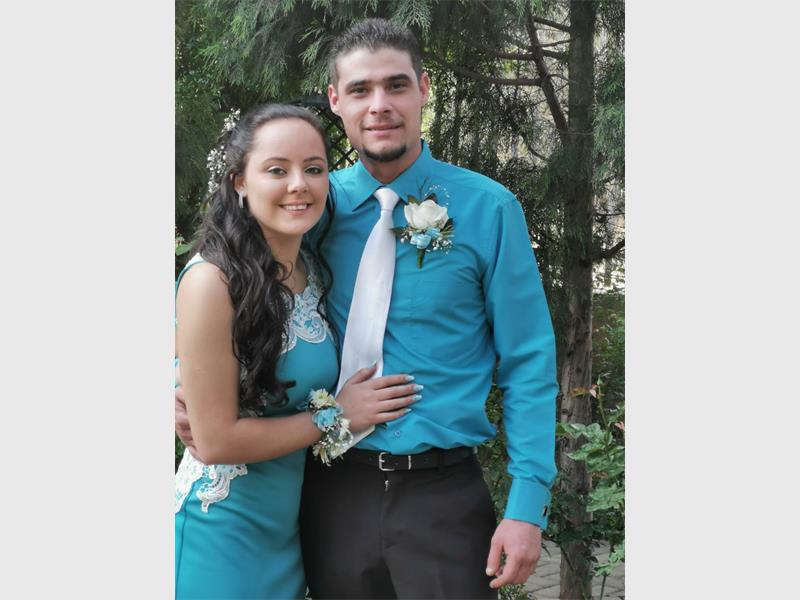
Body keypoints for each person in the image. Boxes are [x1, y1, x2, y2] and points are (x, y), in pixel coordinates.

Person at [177, 18, 558, 599]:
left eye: (396, 85)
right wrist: (180, 384)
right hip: (327, 491)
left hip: (442, 495)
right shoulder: (308, 207)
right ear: (337, 101)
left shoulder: (489, 209)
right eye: (360, 90)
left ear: (423, 89)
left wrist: (527, 505)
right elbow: (227, 283)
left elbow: (528, 361)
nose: (379, 105)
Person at [173, 104, 418, 600]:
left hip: (290, 533)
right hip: (222, 531)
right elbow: (215, 440)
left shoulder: (311, 268)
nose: (298, 185)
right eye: (276, 170)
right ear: (240, 182)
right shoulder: (212, 281)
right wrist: (337, 416)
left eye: (313, 168)